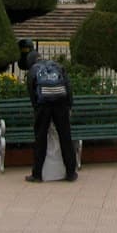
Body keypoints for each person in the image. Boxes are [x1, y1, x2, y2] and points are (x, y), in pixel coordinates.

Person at [24, 50, 76, 183]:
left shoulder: (33, 71)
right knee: (65, 136)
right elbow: (68, 86)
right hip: (61, 104)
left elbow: (32, 94)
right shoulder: (57, 66)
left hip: (43, 106)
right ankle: (70, 172)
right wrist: (69, 105)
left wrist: (37, 109)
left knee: (40, 138)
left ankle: (37, 174)